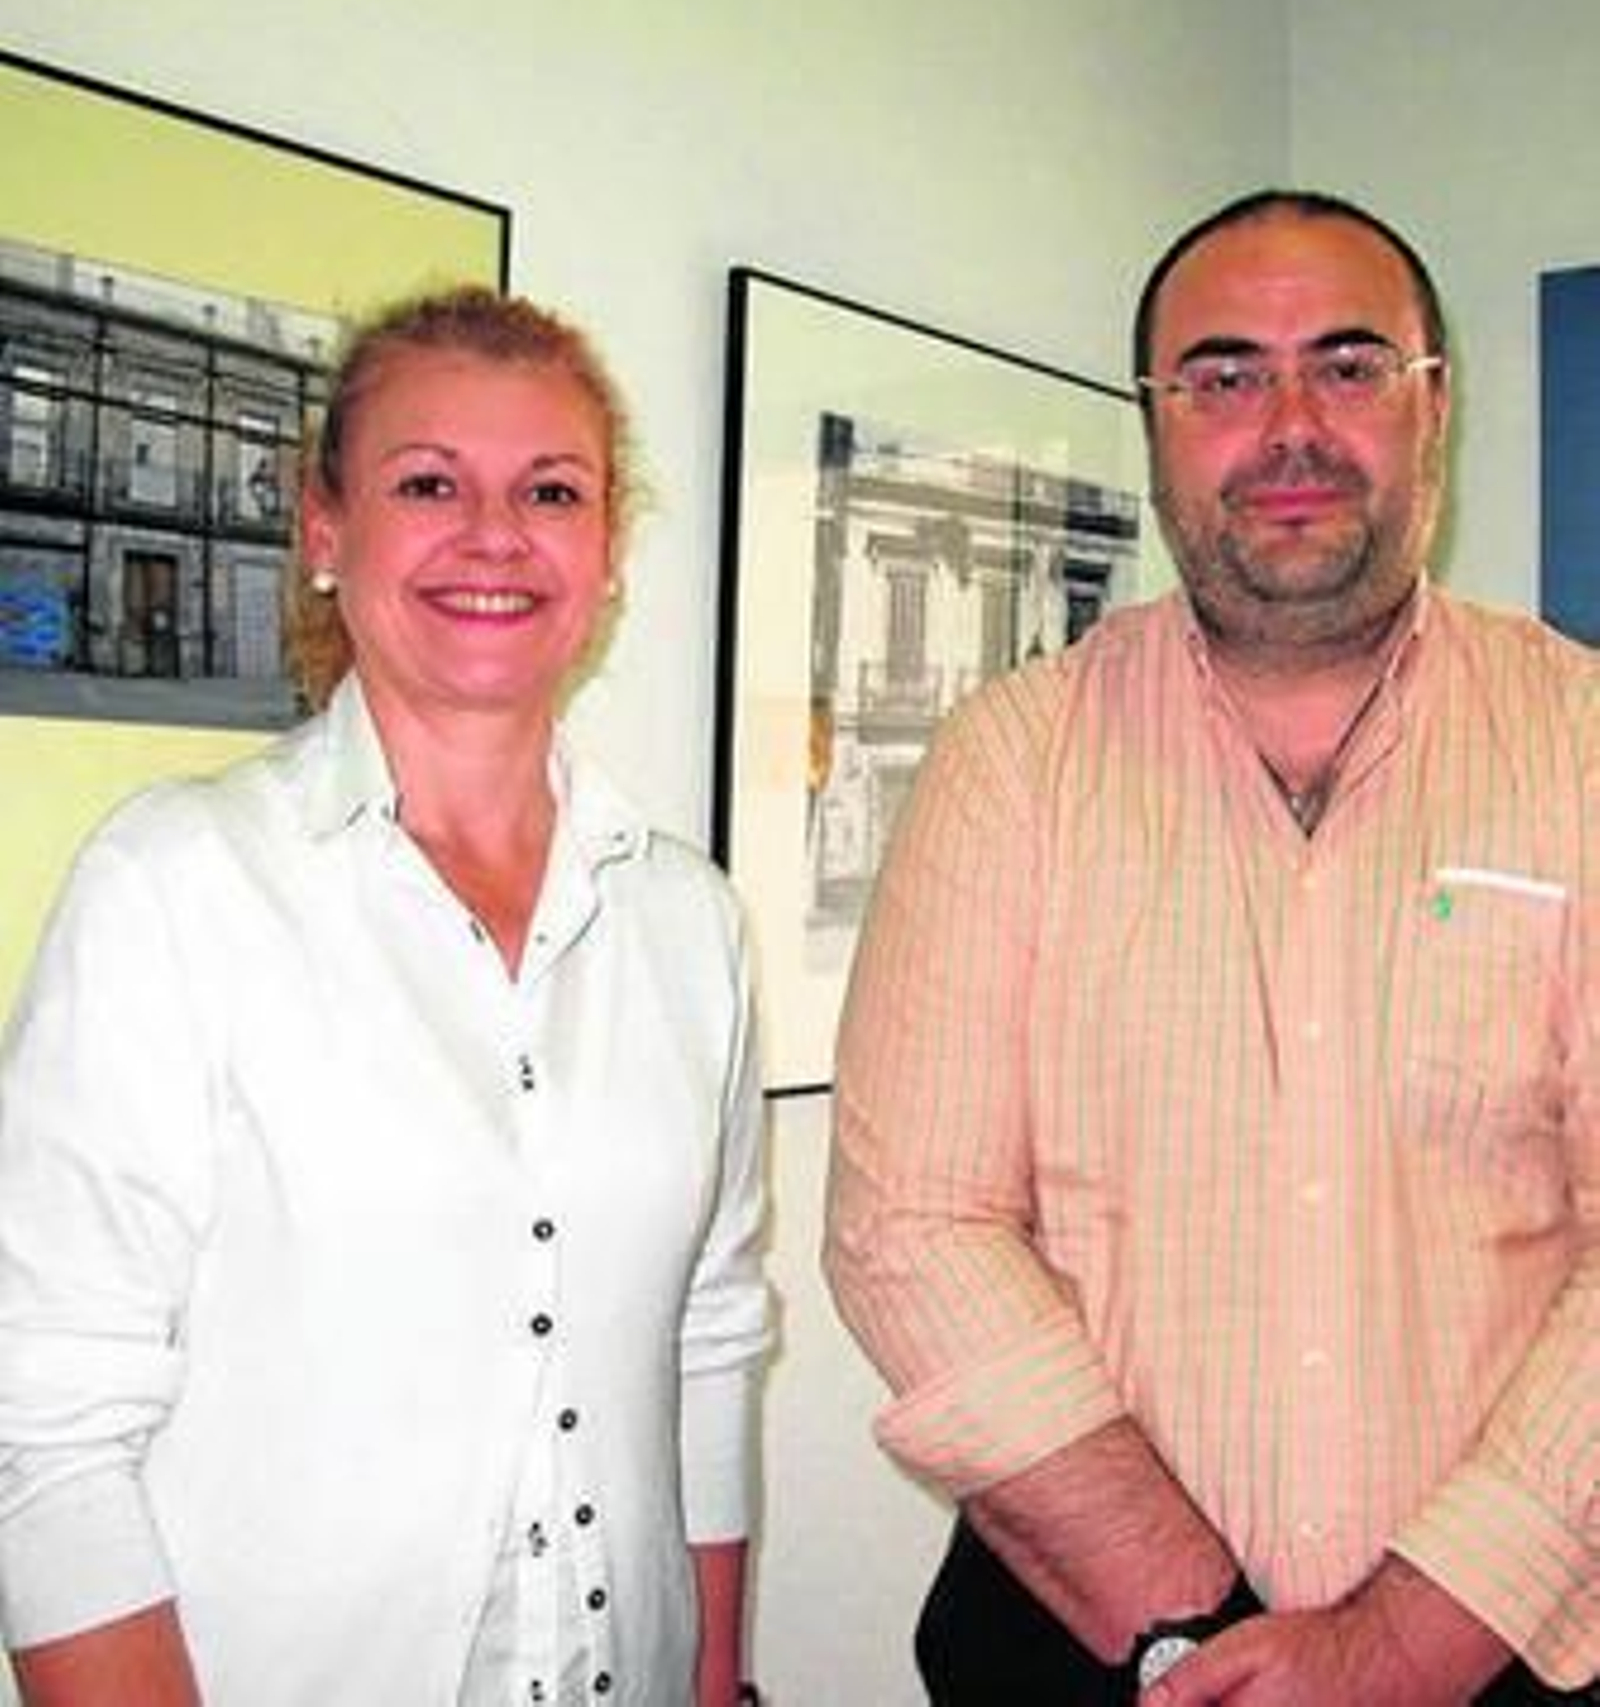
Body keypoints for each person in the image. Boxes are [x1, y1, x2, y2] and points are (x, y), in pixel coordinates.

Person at [824, 190, 1600, 1705]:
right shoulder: (1010, 764)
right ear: (1157, 418)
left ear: (1437, 404)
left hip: (1516, 1650)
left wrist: (1404, 1640)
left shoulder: (1585, 746)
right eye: (1228, 373)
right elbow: (911, 1223)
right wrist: (1199, 1627)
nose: (1290, 423)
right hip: (1090, 1645)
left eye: (1353, 365)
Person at [0, 287, 772, 1707]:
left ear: (606, 553)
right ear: (323, 528)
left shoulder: (692, 924)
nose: (495, 533)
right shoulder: (176, 886)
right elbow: (41, 1427)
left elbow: (706, 1340)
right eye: (429, 483)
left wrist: (715, 1683)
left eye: (551, 489)